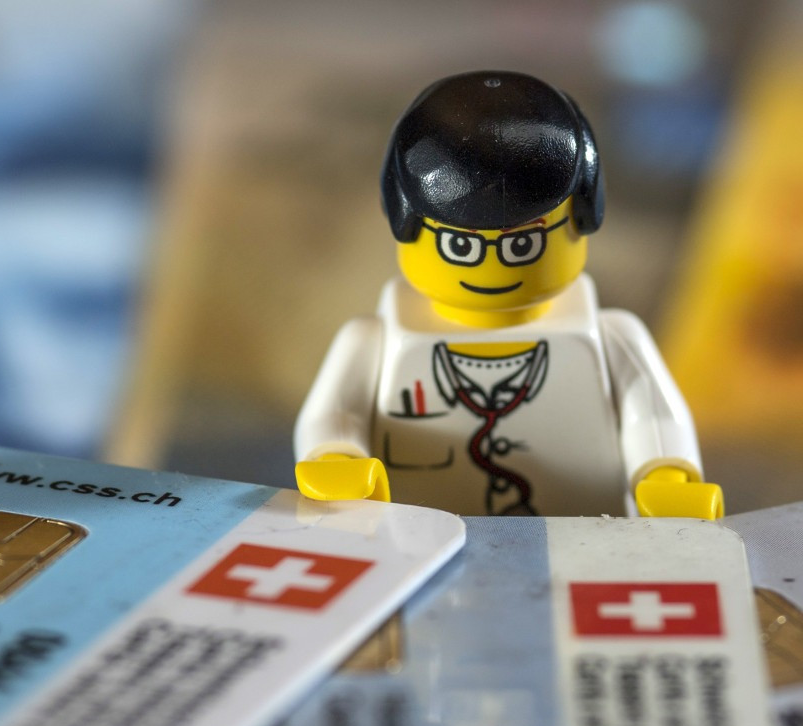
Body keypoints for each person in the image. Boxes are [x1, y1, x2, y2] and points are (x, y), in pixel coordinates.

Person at [293, 70, 721, 519]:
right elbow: (334, 415)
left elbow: (653, 416)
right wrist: (336, 458)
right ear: (405, 221)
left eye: (523, 243)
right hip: (420, 540)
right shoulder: (372, 342)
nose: (491, 265)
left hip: (583, 534)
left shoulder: (614, 335)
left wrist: (665, 475)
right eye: (461, 245)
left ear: (582, 218)